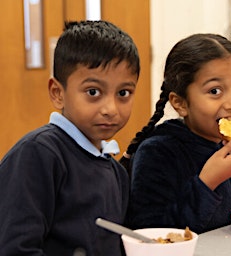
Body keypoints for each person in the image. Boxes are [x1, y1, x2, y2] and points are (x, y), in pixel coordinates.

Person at [0, 20, 140, 255]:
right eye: (93, 92)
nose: (111, 108)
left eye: (123, 93)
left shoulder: (114, 171)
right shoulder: (38, 154)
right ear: (58, 93)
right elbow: (15, 248)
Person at [120, 33, 231, 234]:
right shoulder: (157, 152)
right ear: (180, 103)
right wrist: (207, 182)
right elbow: (151, 235)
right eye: (215, 91)